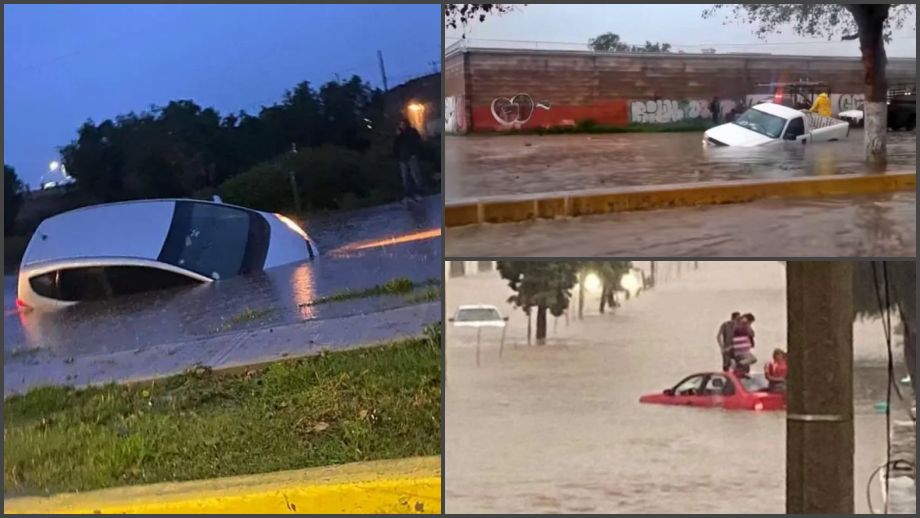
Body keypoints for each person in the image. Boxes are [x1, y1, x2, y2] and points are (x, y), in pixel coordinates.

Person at [393, 119, 424, 202]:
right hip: (403, 158)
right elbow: (396, 145)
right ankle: (408, 195)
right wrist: (398, 136)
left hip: (412, 156)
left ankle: (419, 193)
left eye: (403, 124)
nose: (402, 126)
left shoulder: (412, 131)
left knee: (415, 175)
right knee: (405, 177)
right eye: (401, 124)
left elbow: (418, 140)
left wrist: (415, 153)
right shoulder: (399, 134)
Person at [730, 313, 757, 377]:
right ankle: (737, 365)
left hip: (741, 347)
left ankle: (740, 373)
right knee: (752, 359)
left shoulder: (737, 324)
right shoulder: (744, 324)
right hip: (741, 347)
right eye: (751, 322)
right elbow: (751, 334)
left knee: (746, 366)